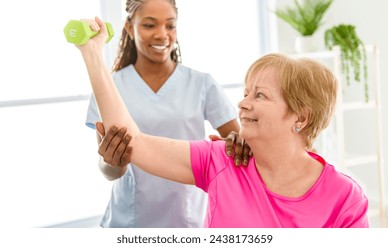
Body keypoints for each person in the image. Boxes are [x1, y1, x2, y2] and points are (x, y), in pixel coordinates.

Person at [76, 16, 369, 227]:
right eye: (245, 93)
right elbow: (135, 143)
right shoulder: (220, 161)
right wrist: (92, 54)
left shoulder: (344, 196)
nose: (242, 103)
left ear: (301, 117)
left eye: (261, 96)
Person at [84, 0, 241, 228]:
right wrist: (113, 162)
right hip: (129, 222)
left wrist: (234, 146)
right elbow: (110, 172)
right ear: (130, 28)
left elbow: (241, 145)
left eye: (170, 25)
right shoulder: (109, 87)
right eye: (149, 24)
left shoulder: (201, 84)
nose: (162, 34)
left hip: (189, 221)